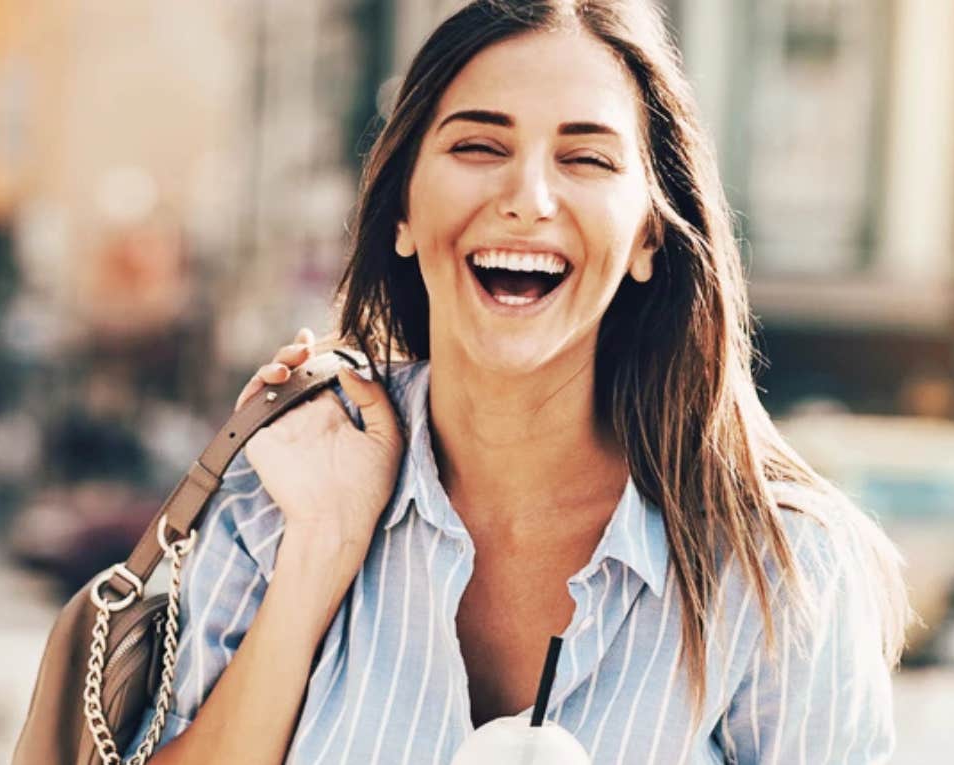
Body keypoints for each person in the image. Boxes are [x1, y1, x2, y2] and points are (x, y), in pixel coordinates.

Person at [135, 1, 910, 762]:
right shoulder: (285, 489)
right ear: (401, 208)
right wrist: (320, 550)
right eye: (478, 146)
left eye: (586, 158)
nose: (527, 199)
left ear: (647, 234)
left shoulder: (783, 572)